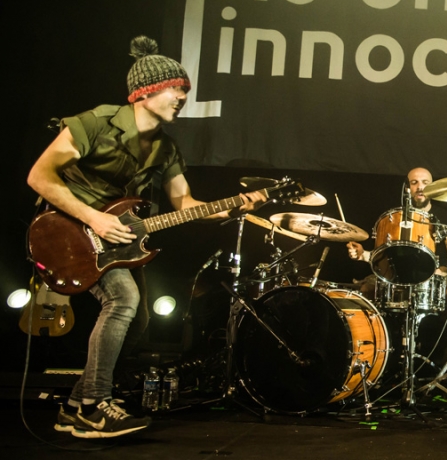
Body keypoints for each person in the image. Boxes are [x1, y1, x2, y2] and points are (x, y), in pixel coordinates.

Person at [27, 36, 267, 439]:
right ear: (145, 92)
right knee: (124, 300)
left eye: (185, 90)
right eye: (176, 88)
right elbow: (39, 175)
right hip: (67, 232)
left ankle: (74, 406)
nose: (183, 97)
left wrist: (236, 206)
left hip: (116, 242)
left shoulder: (165, 149)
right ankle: (94, 407)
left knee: (138, 320)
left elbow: (185, 202)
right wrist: (94, 219)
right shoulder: (95, 123)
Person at [346, 167, 447, 365]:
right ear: (407, 188)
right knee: (365, 289)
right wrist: (363, 255)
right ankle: (368, 358)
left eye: (425, 183)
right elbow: (383, 257)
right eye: (414, 183)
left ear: (434, 187)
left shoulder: (445, 218)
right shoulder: (394, 217)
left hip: (433, 277)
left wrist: (441, 271)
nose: (420, 187)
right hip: (396, 277)